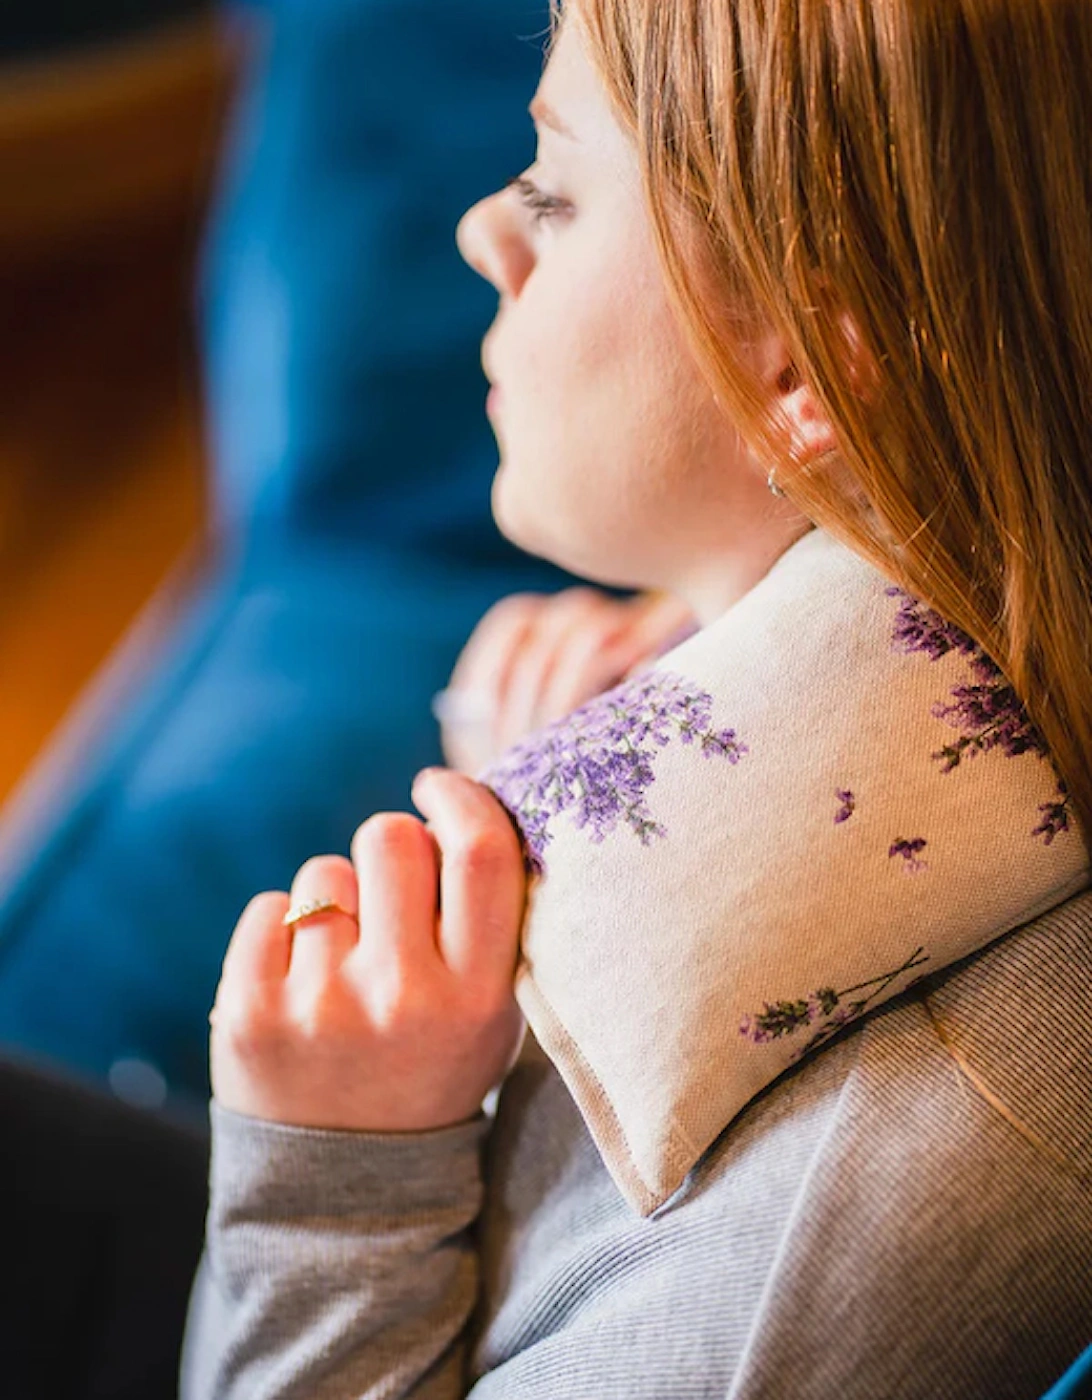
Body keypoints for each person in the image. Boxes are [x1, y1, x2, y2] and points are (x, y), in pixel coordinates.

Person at [181, 2, 1092, 1396]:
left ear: (803, 369)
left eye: (552, 189)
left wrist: (335, 1180)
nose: (488, 232)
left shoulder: (818, 1250)